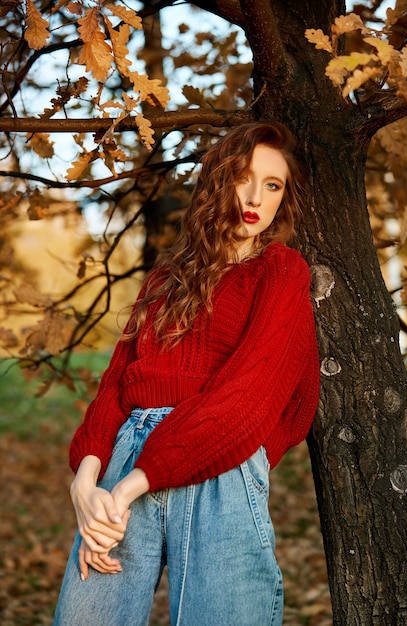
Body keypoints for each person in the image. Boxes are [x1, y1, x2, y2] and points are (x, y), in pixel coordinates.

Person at [53, 121, 320, 626]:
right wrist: (86, 486)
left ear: (284, 198)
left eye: (272, 185)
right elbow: (117, 383)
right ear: (219, 180)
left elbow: (249, 397)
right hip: (125, 462)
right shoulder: (166, 276)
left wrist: (128, 488)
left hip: (221, 463)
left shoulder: (281, 270)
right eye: (243, 177)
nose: (255, 197)